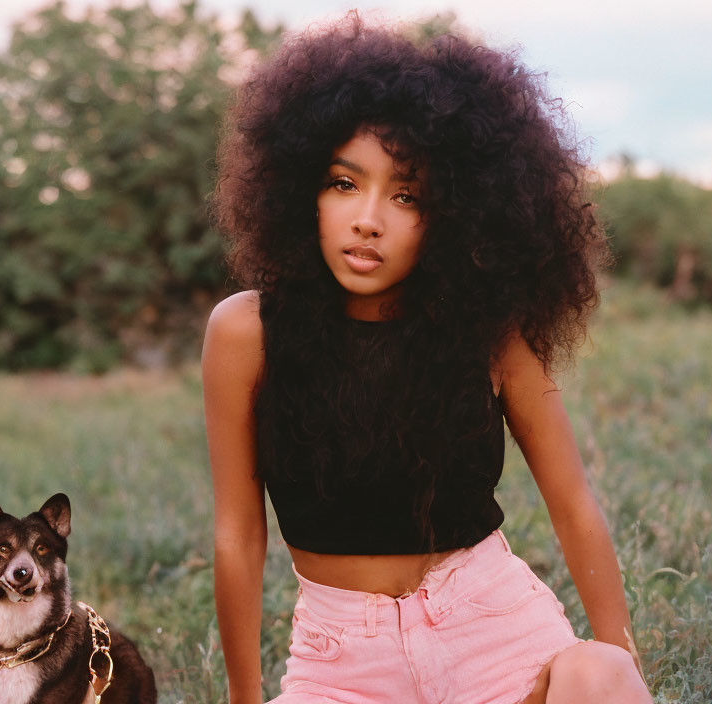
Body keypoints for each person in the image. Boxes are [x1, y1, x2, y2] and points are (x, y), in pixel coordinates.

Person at [203, 13, 653, 704]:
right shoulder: (247, 333)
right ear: (300, 190)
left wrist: (623, 666)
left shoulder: (488, 334)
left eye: (406, 194)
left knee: (596, 675)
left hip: (495, 635)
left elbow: (572, 503)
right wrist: (243, 698)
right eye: (344, 183)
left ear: (454, 214)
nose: (368, 219)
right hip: (341, 661)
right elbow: (238, 534)